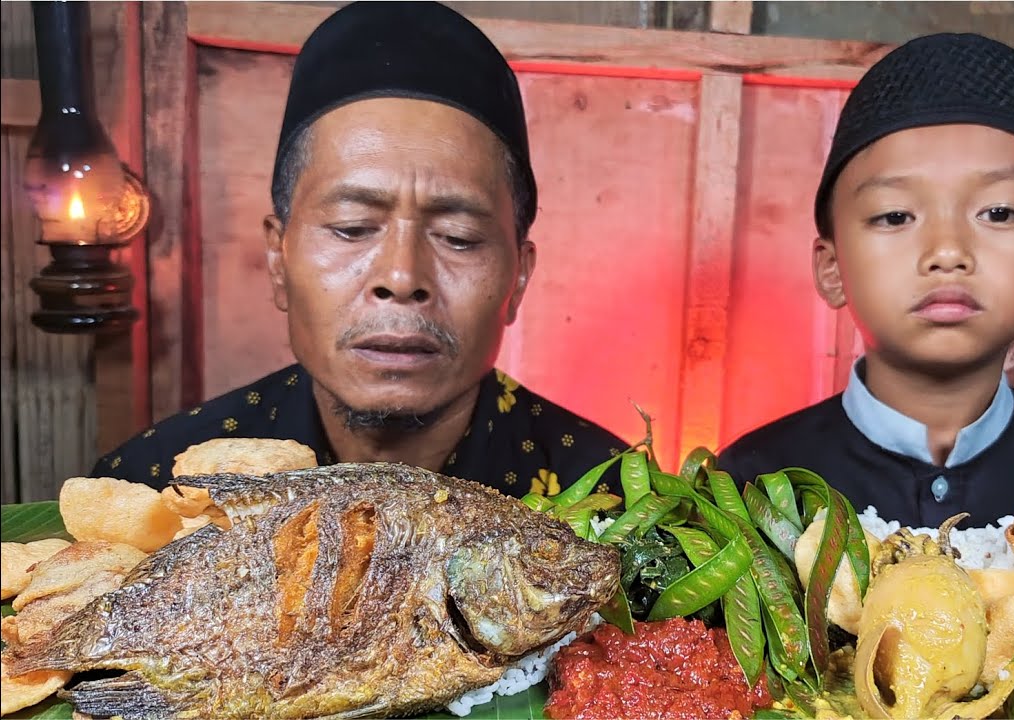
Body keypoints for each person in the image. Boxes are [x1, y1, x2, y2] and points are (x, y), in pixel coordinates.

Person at [93, 1, 626, 494]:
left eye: (458, 237)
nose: (400, 276)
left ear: (518, 280)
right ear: (278, 259)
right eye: (352, 227)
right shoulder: (153, 491)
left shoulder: (619, 506)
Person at [717, 33, 1014, 529]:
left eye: (998, 211)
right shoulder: (744, 485)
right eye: (895, 215)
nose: (947, 251)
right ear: (832, 267)